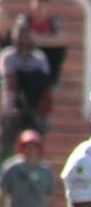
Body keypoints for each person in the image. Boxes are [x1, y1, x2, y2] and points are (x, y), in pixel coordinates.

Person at [0, 20, 50, 163]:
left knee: (36, 142)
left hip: (34, 109)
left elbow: (44, 85)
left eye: (26, 35)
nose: (23, 40)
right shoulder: (7, 56)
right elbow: (10, 83)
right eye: (19, 35)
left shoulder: (39, 58)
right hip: (12, 110)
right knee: (7, 147)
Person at [0, 129, 53, 207]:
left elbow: (48, 200)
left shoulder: (46, 172)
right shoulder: (11, 169)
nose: (30, 150)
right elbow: (3, 196)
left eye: (34, 147)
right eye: (27, 146)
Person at [26, 0, 67, 87]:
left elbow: (61, 40)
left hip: (49, 60)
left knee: (57, 50)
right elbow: (22, 39)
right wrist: (49, 39)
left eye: (41, 7)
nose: (39, 10)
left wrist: (37, 40)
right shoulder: (24, 21)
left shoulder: (54, 22)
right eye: (37, 7)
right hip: (27, 63)